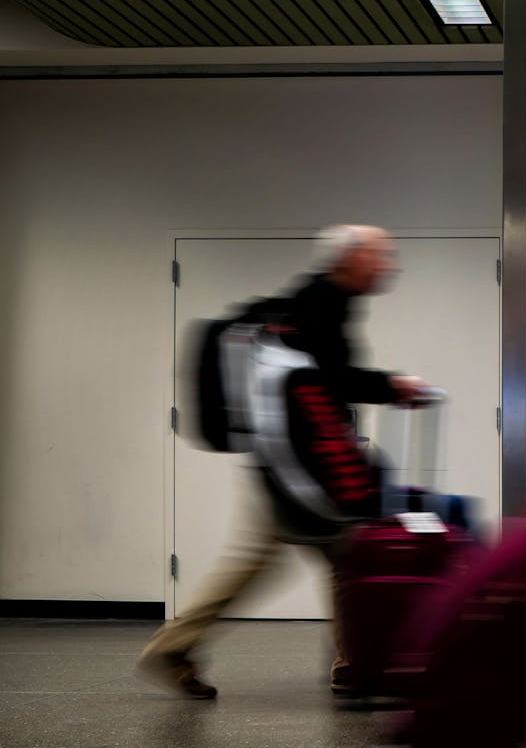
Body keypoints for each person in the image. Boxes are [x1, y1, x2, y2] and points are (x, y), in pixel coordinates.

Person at [139, 225, 426, 699]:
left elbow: (322, 381)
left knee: (307, 557)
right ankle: (352, 662)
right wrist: (392, 385)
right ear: (349, 259)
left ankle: (349, 661)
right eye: (379, 255)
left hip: (290, 461)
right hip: (297, 467)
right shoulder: (319, 305)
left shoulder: (321, 301)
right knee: (344, 553)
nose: (388, 264)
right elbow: (329, 379)